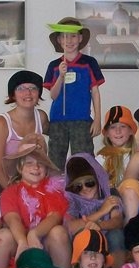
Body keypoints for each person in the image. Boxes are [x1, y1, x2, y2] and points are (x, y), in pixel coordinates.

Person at [0, 135, 71, 268]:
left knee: (58, 232)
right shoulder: (10, 192)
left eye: (40, 163)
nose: (35, 167)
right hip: (19, 241)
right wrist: (23, 240)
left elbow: (55, 217)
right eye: (29, 163)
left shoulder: (54, 191)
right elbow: (12, 218)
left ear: (46, 169)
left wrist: (34, 234)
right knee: (3, 235)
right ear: (20, 167)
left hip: (45, 240)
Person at [44, 17, 105, 169]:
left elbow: (95, 92)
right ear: (59, 40)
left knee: (83, 161)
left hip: (81, 120)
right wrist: (61, 76)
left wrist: (98, 119)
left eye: (73, 36)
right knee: (55, 161)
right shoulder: (54, 65)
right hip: (58, 120)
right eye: (64, 36)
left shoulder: (89, 62)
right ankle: (55, 185)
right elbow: (53, 95)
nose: (69, 40)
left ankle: (83, 185)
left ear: (80, 38)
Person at [0, 70, 50, 189]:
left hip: (31, 180)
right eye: (21, 88)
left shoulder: (41, 117)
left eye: (33, 88)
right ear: (13, 95)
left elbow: (58, 134)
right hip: (3, 183)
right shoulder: (1, 123)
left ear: (39, 93)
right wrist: (15, 194)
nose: (28, 93)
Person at [64, 152, 125, 268]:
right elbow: (70, 227)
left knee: (116, 235)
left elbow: (117, 221)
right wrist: (101, 212)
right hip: (83, 245)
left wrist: (98, 225)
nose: (85, 189)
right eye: (78, 187)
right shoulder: (71, 199)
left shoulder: (109, 193)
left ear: (98, 180)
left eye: (89, 183)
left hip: (107, 242)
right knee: (84, 236)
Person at [95, 105, 139, 190]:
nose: (118, 131)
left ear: (131, 131)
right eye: (113, 127)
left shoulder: (138, 156)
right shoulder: (100, 159)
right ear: (107, 133)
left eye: (123, 126)